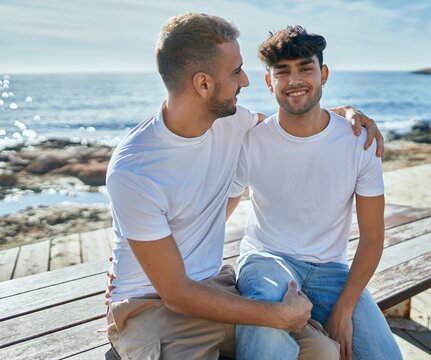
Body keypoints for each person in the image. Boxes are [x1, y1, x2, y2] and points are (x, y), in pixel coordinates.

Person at [105, 12, 384, 360]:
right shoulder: (135, 169)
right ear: (204, 85)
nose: (246, 81)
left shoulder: (232, 122)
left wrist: (346, 112)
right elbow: (175, 293)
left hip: (216, 289)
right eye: (236, 71)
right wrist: (277, 315)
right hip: (153, 308)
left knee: (325, 353)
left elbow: (297, 123)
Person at [228, 26, 403, 360]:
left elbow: (371, 237)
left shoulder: (359, 142)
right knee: (268, 336)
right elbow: (221, 207)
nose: (294, 80)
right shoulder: (252, 141)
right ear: (269, 82)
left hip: (331, 271)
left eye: (305, 68)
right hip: (267, 259)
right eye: (282, 72)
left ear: (323, 74)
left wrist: (344, 308)